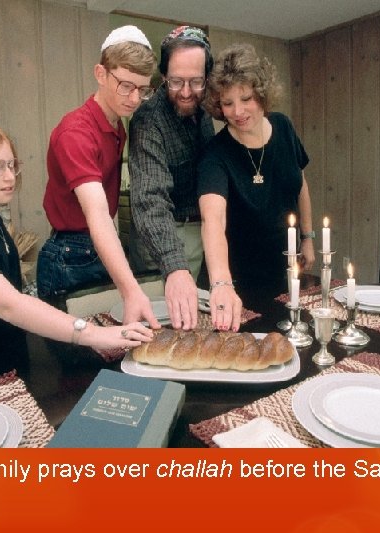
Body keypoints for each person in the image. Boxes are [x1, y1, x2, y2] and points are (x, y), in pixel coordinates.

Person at [0, 122, 152, 377]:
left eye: (11, 165)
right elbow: (7, 304)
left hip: (2, 356)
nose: (10, 176)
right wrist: (93, 334)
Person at [37, 25, 160, 328]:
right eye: (125, 86)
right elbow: (98, 215)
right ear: (100, 74)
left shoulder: (117, 125)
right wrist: (132, 291)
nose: (134, 98)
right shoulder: (76, 132)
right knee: (75, 361)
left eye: (142, 89)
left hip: (96, 248)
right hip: (70, 257)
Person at [197, 44, 316, 331]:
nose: (237, 111)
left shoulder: (284, 127)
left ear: (261, 94)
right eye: (227, 103)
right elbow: (213, 220)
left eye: (246, 98)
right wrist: (222, 284)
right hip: (234, 282)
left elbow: (299, 184)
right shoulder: (216, 155)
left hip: (280, 273)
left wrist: (307, 237)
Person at [128, 26, 215, 330]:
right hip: (164, 240)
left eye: (196, 81)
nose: (187, 92)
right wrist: (175, 266)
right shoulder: (148, 119)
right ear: (163, 75)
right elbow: (149, 199)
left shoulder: (206, 110)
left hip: (204, 234)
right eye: (176, 81)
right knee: (164, 332)